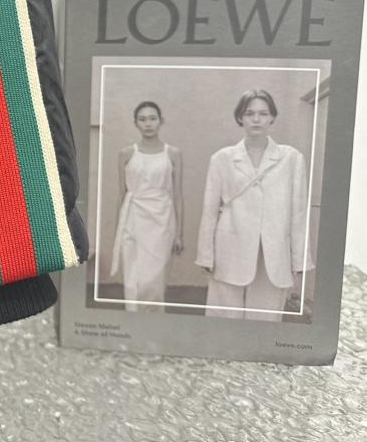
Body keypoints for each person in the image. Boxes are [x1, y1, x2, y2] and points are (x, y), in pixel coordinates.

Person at [195, 90, 315, 320]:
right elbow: (209, 212)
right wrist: (205, 255)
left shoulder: (291, 158)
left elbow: (299, 213)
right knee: (224, 317)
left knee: (265, 319)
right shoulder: (222, 158)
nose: (256, 119)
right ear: (240, 117)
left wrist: (299, 258)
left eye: (263, 113)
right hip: (230, 248)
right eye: (249, 114)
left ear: (272, 117)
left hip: (273, 251)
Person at [110, 101, 184, 311]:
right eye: (142, 119)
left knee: (154, 282)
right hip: (132, 220)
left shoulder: (173, 153)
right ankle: (133, 321)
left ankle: (153, 323)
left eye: (152, 119)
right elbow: (121, 194)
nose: (148, 124)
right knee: (133, 279)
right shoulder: (126, 154)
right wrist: (118, 231)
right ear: (136, 123)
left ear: (161, 121)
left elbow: (177, 195)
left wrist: (179, 234)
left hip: (162, 221)